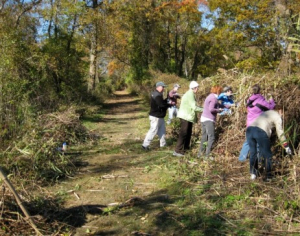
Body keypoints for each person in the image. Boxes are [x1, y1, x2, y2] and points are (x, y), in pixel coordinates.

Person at [246, 108, 292, 181]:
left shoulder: (267, 112)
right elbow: (280, 132)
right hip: (260, 132)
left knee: (253, 153)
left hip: (249, 130)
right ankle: (268, 176)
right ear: (281, 112)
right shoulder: (278, 117)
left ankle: (253, 173)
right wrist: (286, 145)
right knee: (268, 155)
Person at [239, 84, 275, 162]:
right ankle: (258, 161)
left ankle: (241, 159)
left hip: (249, 124)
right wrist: (271, 100)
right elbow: (270, 107)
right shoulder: (260, 100)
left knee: (248, 142)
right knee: (259, 143)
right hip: (258, 125)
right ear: (260, 90)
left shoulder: (249, 100)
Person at [173, 81, 202, 157]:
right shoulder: (190, 94)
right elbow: (194, 107)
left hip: (188, 116)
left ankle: (185, 149)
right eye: (197, 88)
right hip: (185, 116)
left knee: (188, 133)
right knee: (184, 133)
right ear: (194, 88)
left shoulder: (191, 94)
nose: (198, 89)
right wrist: (204, 109)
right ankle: (177, 151)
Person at [198, 86, 224, 159]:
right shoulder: (213, 98)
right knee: (211, 137)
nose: (220, 93)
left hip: (203, 118)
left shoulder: (210, 96)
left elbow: (218, 105)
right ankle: (207, 155)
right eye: (220, 92)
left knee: (204, 137)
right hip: (209, 119)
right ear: (218, 92)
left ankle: (200, 153)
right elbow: (211, 109)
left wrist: (227, 106)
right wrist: (219, 110)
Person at [142, 81, 169, 150]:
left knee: (162, 131)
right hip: (156, 116)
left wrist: (167, 100)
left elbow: (161, 103)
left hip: (159, 116)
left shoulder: (156, 94)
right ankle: (145, 145)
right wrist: (169, 105)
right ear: (158, 87)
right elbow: (161, 105)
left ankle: (163, 144)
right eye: (163, 87)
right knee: (153, 130)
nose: (163, 89)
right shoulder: (157, 95)